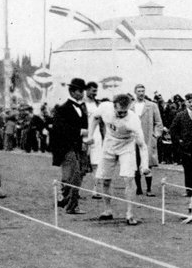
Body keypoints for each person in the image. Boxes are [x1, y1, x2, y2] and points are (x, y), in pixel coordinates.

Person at [85, 94, 150, 225]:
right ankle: (107, 210)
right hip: (109, 143)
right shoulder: (105, 108)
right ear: (114, 106)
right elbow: (94, 118)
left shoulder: (133, 120)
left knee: (129, 179)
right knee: (105, 179)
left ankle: (130, 213)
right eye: (119, 112)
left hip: (126, 146)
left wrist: (145, 165)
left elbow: (142, 146)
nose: (122, 115)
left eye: (125, 112)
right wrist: (90, 135)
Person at [51, 78, 90, 214]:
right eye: (80, 91)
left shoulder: (82, 109)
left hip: (78, 147)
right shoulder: (62, 109)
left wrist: (85, 141)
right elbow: (60, 129)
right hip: (65, 147)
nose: (82, 93)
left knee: (75, 175)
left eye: (83, 91)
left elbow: (85, 128)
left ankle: (66, 200)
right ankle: (71, 205)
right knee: (73, 175)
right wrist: (79, 132)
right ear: (72, 92)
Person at [133, 84, 163, 196]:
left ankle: (149, 189)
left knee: (148, 163)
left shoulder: (152, 106)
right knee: (135, 163)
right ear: (135, 92)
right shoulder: (131, 106)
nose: (141, 93)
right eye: (139, 91)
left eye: (143, 91)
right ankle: (138, 188)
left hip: (147, 138)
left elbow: (159, 123)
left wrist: (155, 135)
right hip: (134, 138)